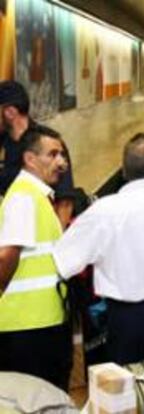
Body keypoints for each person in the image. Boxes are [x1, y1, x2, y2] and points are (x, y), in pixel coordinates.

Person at [53, 133, 144, 364]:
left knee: (130, 390)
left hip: (130, 318)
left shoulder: (104, 211)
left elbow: (64, 261)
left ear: (124, 171)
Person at [0, 125, 72, 390]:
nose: (61, 162)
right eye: (52, 155)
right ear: (30, 159)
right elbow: (6, 255)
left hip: (40, 321)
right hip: (27, 327)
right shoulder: (24, 198)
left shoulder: (37, 197)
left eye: (62, 155)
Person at [0, 81, 74, 227]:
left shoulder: (49, 144)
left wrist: (57, 244)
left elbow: (64, 202)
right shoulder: (4, 141)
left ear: (10, 113)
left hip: (37, 231)